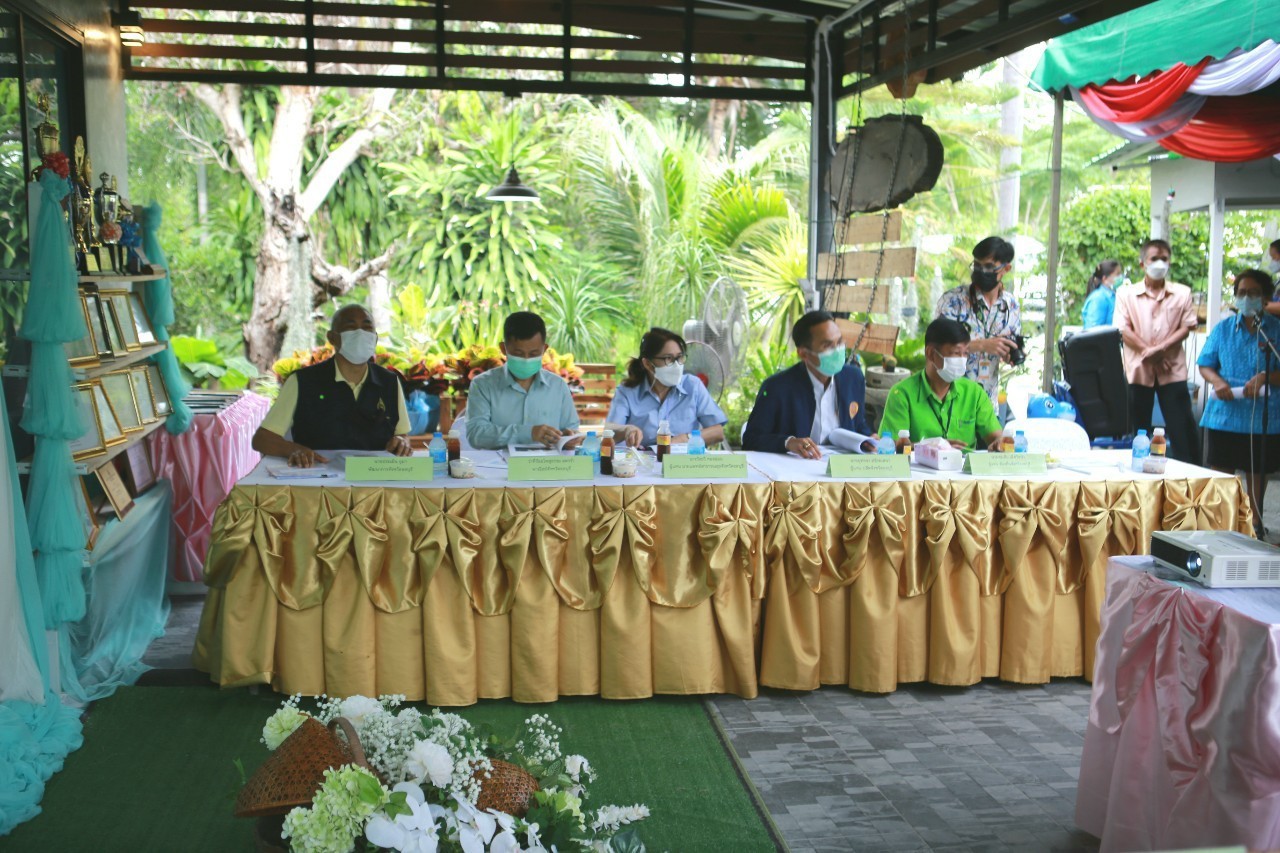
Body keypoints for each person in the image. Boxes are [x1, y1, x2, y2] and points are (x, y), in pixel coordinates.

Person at [253, 304, 411, 467]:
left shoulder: (389, 382)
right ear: (332, 338)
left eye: (367, 327)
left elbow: (402, 436)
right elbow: (263, 439)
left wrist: (402, 442)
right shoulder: (302, 382)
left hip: (375, 475)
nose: (360, 333)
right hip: (318, 476)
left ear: (375, 338)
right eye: (351, 327)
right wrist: (293, 449)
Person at [1197, 269, 1280, 532]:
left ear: (1265, 297)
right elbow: (1205, 364)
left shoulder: (1275, 330)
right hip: (1225, 413)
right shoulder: (1223, 329)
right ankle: (1220, 522)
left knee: (1258, 469)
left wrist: (1266, 377)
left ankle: (1255, 522)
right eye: (1242, 292)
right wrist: (1218, 382)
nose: (1246, 297)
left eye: (1253, 293)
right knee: (1221, 469)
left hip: (1263, 414)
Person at [1114, 238, 1199, 463]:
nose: (1160, 263)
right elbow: (1123, 329)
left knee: (1181, 428)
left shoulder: (1182, 293)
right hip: (1138, 369)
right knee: (1138, 429)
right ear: (1143, 263)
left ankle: (1189, 473)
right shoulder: (1126, 294)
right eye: (1154, 258)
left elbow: (1187, 327)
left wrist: (1160, 349)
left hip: (1172, 370)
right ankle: (1138, 473)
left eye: (1164, 259)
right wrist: (1149, 352)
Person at [742, 310, 872, 458]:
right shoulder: (777, 388)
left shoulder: (853, 378)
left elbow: (858, 424)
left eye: (840, 342)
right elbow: (751, 439)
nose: (837, 350)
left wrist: (869, 439)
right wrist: (788, 442)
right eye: (828, 346)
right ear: (804, 354)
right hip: (797, 467)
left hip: (842, 466)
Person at [878, 318, 1003, 450]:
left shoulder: (974, 393)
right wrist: (929, 447)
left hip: (963, 463)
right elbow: (891, 447)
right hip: (919, 463)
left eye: (965, 353)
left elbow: (996, 437)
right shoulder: (902, 394)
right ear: (931, 353)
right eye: (956, 353)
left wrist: (999, 443)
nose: (962, 360)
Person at [465, 311, 582, 450]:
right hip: (499, 463)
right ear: (503, 349)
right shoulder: (483, 384)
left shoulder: (558, 386)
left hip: (547, 462)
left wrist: (570, 438)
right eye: (518, 354)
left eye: (533, 354)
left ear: (544, 349)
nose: (526, 360)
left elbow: (571, 430)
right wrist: (528, 433)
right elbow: (476, 435)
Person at [934, 236, 1021, 405]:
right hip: (951, 402)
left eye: (989, 267)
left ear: (1006, 269)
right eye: (977, 265)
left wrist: (1009, 354)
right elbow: (936, 348)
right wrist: (981, 345)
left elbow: (1010, 344)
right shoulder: (953, 301)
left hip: (987, 404)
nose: (981, 272)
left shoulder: (1011, 306)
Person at [606, 327, 727, 448]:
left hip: (681, 458)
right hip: (641, 458)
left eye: (679, 357)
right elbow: (610, 429)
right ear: (648, 364)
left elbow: (718, 432)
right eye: (668, 358)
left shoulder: (693, 386)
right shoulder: (627, 391)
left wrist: (685, 438)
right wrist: (626, 429)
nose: (676, 365)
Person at [1081, 259, 1123, 329]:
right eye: (1117, 274)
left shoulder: (1112, 296)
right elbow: (1093, 330)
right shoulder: (1098, 298)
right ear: (1105, 279)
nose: (1121, 277)